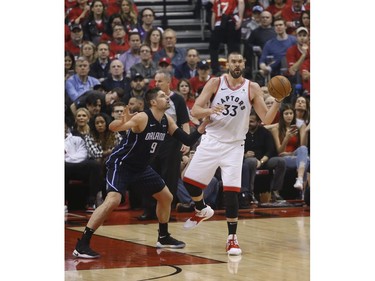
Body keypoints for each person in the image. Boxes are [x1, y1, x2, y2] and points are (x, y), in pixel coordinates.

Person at [72, 87, 210, 258]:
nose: (167, 97)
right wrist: (121, 122)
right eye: (162, 96)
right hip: (122, 164)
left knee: (166, 197)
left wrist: (203, 125)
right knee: (113, 200)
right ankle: (82, 244)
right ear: (153, 102)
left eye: (166, 96)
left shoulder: (167, 120)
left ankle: (163, 236)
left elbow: (187, 139)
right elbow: (115, 127)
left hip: (141, 168)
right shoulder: (142, 117)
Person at [182, 52, 281, 256]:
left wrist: (278, 101)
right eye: (233, 61)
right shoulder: (216, 83)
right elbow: (195, 111)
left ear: (244, 64)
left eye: (240, 61)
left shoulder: (252, 87)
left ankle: (232, 239)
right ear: (228, 64)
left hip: (235, 146)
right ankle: (201, 208)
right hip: (212, 140)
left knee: (231, 192)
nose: (237, 64)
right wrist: (210, 111)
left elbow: (266, 118)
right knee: (189, 182)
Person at [140, 69, 191, 220]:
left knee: (170, 178)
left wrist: (186, 141)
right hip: (154, 139)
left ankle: (167, 212)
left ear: (169, 82)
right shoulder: (151, 98)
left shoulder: (178, 99)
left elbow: (184, 122)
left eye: (160, 81)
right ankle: (148, 210)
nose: (156, 84)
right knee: (149, 175)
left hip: (172, 140)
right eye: (155, 81)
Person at [240, 109, 286, 208]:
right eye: (247, 121)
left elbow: (270, 150)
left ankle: (275, 191)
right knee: (251, 161)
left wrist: (261, 161)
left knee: (280, 161)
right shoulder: (241, 132)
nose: (249, 124)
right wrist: (244, 154)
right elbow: (236, 149)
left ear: (258, 122)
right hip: (248, 160)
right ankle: (250, 193)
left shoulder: (264, 132)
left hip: (264, 160)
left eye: (252, 121)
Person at [269, 103, 309, 192]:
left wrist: (290, 153)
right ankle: (302, 192)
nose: (289, 116)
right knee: (307, 161)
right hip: (282, 158)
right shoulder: (276, 129)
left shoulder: (297, 128)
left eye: (291, 113)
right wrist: (287, 138)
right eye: (286, 114)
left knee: (303, 149)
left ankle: (299, 179)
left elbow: (301, 147)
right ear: (282, 115)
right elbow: (279, 151)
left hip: (293, 155)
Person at [65, 121, 103, 212]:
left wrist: (68, 158)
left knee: (95, 165)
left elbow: (82, 154)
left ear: (66, 127)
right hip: (64, 168)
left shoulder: (77, 139)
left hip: (78, 166)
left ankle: (91, 202)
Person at [209, 0, 244, 76]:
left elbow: (213, 14)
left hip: (219, 24)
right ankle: (234, 70)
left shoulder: (217, 1)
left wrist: (213, 28)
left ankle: (215, 70)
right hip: (232, 22)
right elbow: (241, 2)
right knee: (233, 49)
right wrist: (240, 18)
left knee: (213, 48)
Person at [243, 10, 276, 79]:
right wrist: (255, 48)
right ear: (260, 19)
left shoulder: (275, 31)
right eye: (263, 17)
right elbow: (248, 44)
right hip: (260, 57)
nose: (265, 19)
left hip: (275, 57)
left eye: (267, 17)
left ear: (271, 19)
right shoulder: (255, 32)